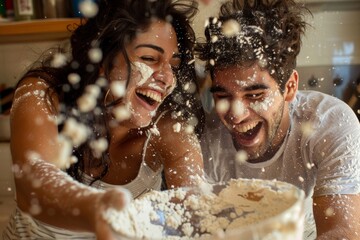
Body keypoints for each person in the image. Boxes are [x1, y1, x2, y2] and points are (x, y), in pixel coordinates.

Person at [3, 0, 205, 239]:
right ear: (101, 60)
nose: (167, 77)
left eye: (174, 65)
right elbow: (33, 186)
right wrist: (97, 209)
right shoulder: (44, 93)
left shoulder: (171, 129)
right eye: (150, 58)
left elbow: (197, 213)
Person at [195, 0, 360, 239]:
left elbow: (341, 232)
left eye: (254, 95)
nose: (236, 115)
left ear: (290, 87)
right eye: (223, 96)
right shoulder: (206, 139)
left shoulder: (330, 123)